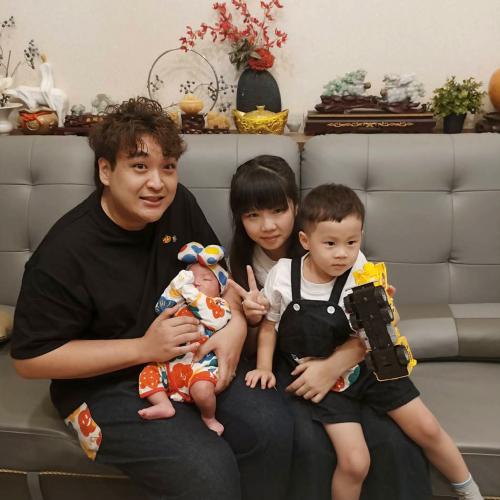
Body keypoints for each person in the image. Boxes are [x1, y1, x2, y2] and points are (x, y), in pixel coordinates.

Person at [10, 98, 293, 500]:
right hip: (102, 387)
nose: (158, 183)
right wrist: (143, 348)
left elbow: (220, 277)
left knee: (272, 428)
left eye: (168, 167)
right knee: (206, 472)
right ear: (106, 171)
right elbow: (30, 360)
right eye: (140, 166)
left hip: (187, 362)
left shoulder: (179, 205)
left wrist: (232, 328)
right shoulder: (64, 251)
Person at [246, 182, 483, 500]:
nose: (342, 253)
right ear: (305, 241)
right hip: (326, 383)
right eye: (330, 243)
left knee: (427, 428)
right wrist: (264, 367)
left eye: (351, 242)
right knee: (355, 463)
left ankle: (469, 490)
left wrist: (384, 310)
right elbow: (268, 326)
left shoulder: (360, 269)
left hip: (369, 367)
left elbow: (379, 331)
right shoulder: (283, 275)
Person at [228, 155, 432, 500]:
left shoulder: (334, 250)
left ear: (295, 207)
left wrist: (333, 366)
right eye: (252, 215)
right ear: (239, 218)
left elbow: (373, 327)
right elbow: (250, 342)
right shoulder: (240, 265)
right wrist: (249, 320)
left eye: (278, 210)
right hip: (290, 366)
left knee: (391, 440)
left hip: (350, 361)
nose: (268, 226)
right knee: (310, 443)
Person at [139, 242, 230, 436]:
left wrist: (189, 291)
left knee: (203, 390)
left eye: (206, 279)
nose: (196, 282)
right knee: (148, 373)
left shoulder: (219, 305)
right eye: (191, 277)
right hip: (170, 363)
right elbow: (161, 308)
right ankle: (163, 404)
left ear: (220, 288)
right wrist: (176, 286)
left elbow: (215, 319)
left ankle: (208, 416)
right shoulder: (181, 303)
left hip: (200, 364)